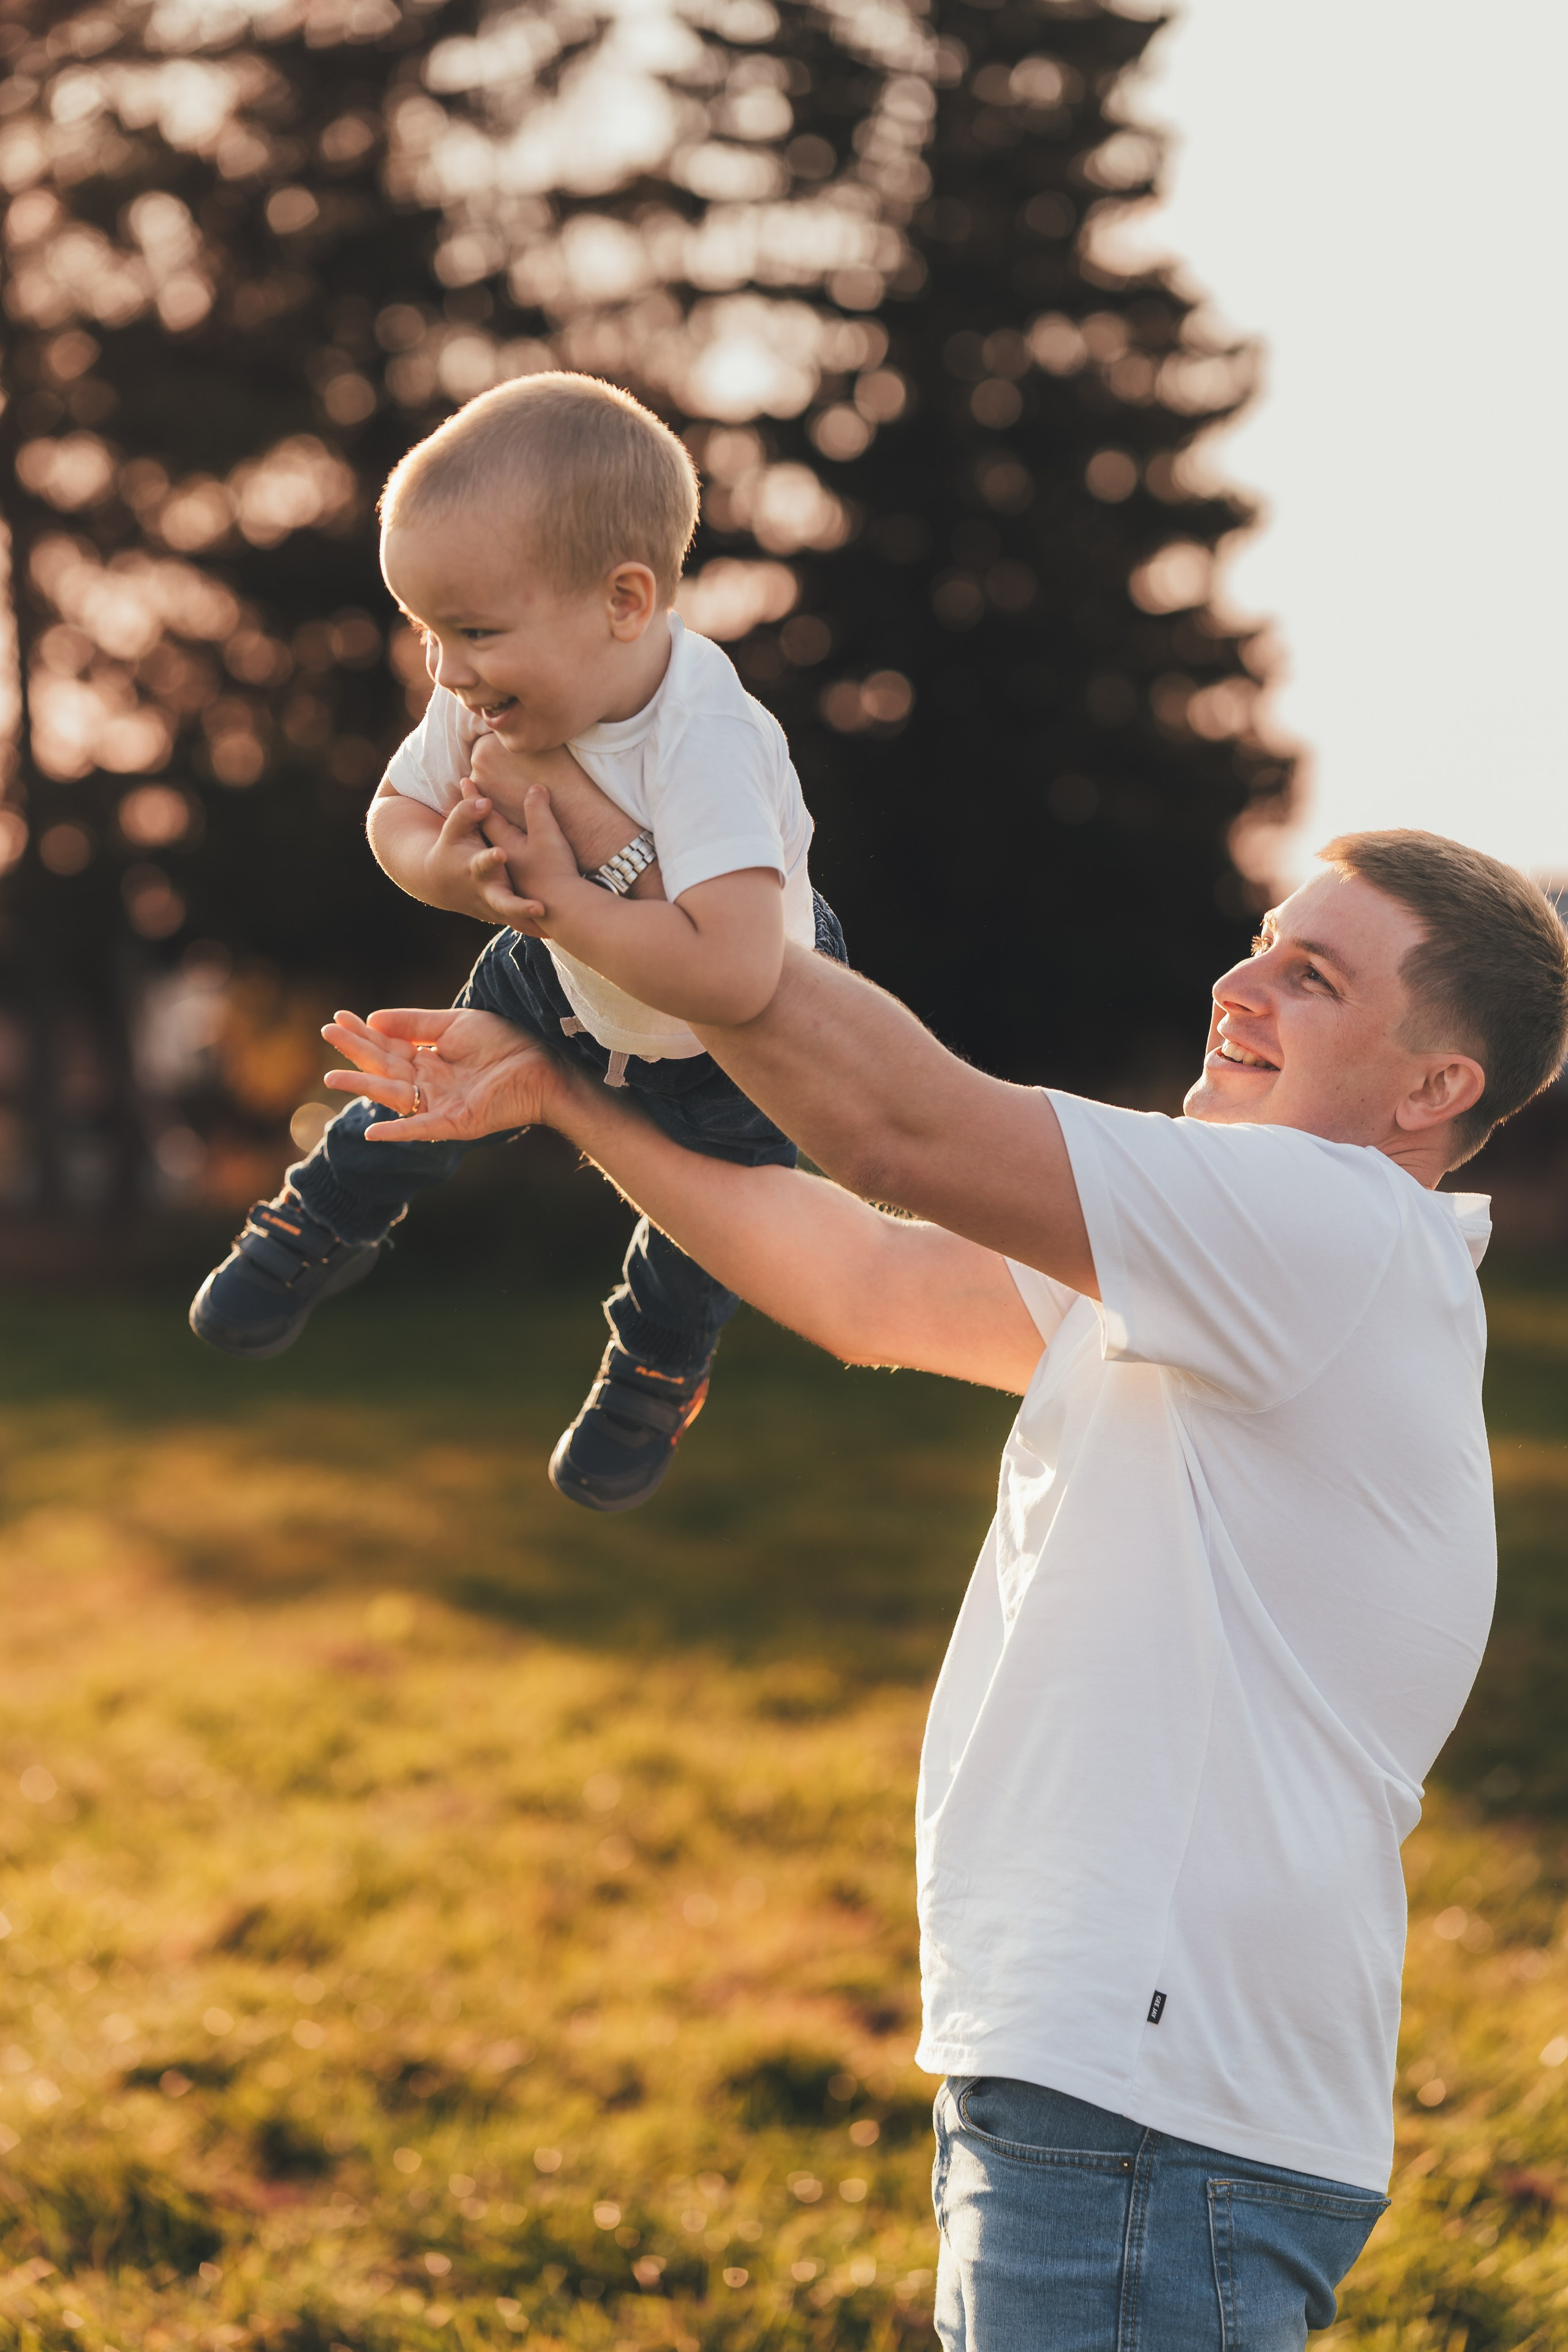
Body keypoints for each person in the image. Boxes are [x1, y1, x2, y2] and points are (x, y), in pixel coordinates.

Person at [320, 817, 1568, 2347]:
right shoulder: (1243, 1263)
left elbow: (901, 1131)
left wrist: (671, 926)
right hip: (1121, 2094)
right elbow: (870, 1281)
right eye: (1260, 940)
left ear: (1433, 1091)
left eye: (1307, 977)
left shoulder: (1326, 1226)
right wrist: (569, 1098)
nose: (1239, 983)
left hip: (1143, 2107)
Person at [187, 371, 845, 1513]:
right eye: (428, 633)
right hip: (568, 973)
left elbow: (739, 976)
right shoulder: (494, 694)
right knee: (433, 1076)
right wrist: (458, 876)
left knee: (706, 1232)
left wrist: (562, 904)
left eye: (474, 633)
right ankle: (324, 1215)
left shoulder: (707, 743)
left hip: (738, 1041)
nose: (446, 672)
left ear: (624, 602)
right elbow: (395, 816)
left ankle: (652, 1373)